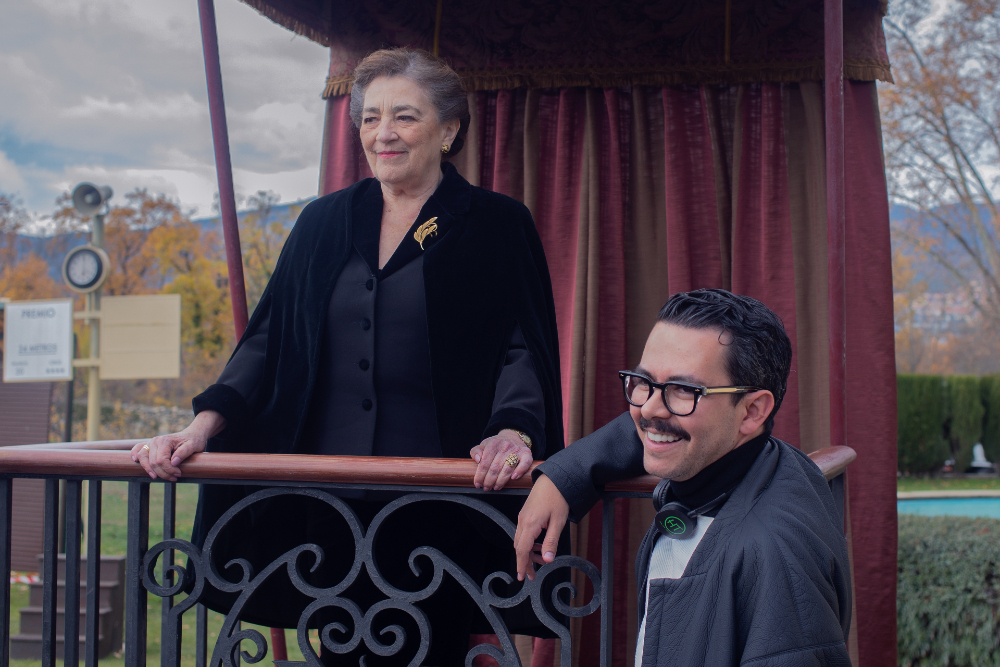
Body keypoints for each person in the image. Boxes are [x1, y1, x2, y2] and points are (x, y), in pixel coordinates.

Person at [132, 48, 565, 665]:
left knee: (427, 652)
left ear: (449, 130)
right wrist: (201, 425)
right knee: (334, 650)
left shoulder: (496, 224)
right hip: (326, 497)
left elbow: (522, 347)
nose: (382, 133)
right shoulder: (323, 221)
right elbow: (267, 340)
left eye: (405, 117)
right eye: (369, 118)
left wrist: (515, 429)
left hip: (435, 498)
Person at [513, 289, 852, 666]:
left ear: (753, 411)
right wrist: (564, 475)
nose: (649, 408)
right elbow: (654, 422)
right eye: (643, 383)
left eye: (683, 390)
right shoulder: (770, 463)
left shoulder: (777, 558)